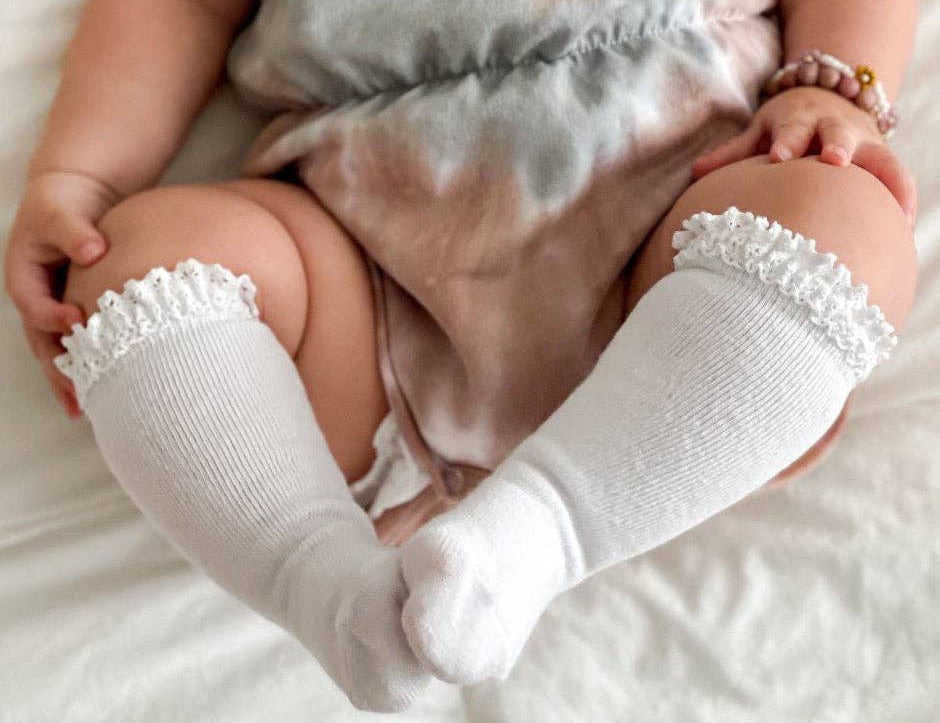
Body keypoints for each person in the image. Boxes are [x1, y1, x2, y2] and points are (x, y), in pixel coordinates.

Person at [3, 0, 919, 712]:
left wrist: (833, 89)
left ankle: (551, 526)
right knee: (134, 263)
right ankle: (325, 584)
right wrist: (80, 177)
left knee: (839, 215)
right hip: (363, 268)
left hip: (679, 218)